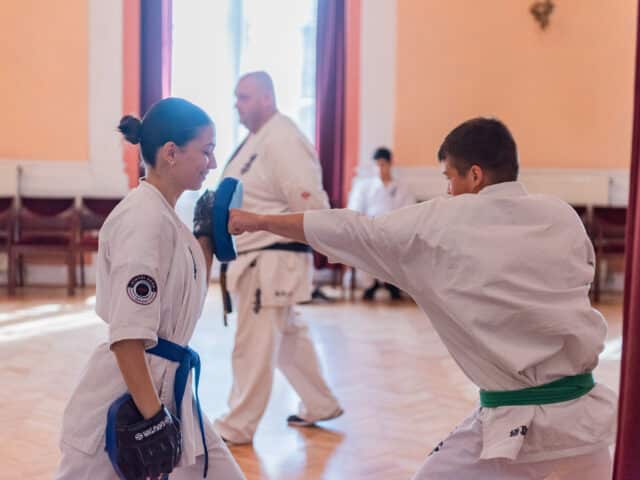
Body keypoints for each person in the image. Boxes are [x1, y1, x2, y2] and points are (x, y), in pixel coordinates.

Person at [226, 118, 617, 479]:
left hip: (517, 429)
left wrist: (257, 220)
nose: (447, 190)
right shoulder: (562, 216)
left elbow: (351, 229)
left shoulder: (442, 222)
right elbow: (579, 279)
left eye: (449, 178)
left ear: (475, 175)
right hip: (588, 424)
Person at [55, 98, 246, 479]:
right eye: (206, 151)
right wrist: (154, 418)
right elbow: (127, 337)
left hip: (165, 387)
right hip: (127, 394)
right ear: (171, 153)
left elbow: (186, 296)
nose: (212, 163)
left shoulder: (164, 217)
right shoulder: (143, 220)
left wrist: (206, 235)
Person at [195, 71, 342, 445]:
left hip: (271, 259)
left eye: (244, 97)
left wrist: (323, 242)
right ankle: (320, 403)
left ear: (267, 97)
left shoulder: (283, 139)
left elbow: (312, 204)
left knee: (254, 343)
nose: (237, 105)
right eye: (236, 98)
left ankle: (237, 424)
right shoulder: (257, 140)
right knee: (288, 337)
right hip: (256, 258)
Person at [347, 146, 415, 300]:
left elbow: (409, 211)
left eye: (383, 164)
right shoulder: (363, 186)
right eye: (377, 165)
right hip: (369, 229)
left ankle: (393, 283)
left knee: (398, 245)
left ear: (390, 164)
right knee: (363, 246)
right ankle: (370, 284)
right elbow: (354, 209)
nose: (380, 168)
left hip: (394, 230)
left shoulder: (402, 187)